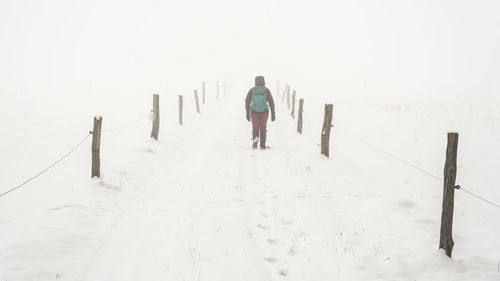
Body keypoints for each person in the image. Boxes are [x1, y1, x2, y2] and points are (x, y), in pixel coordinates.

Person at [245, 76, 276, 149]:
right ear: (264, 81)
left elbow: (247, 102)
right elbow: (271, 102)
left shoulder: (252, 90)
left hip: (254, 112)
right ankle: (262, 145)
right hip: (264, 112)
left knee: (255, 127)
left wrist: (247, 113)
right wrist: (273, 114)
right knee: (263, 127)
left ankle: (255, 139)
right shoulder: (266, 90)